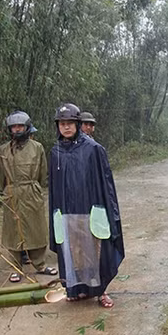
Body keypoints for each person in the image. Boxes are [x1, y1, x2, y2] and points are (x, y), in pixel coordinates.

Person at [48, 103, 124, 307]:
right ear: (58, 126)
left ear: (78, 124)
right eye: (62, 124)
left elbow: (105, 183)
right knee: (72, 251)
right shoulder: (55, 152)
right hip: (65, 211)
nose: (66, 127)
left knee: (97, 251)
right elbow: (54, 187)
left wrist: (108, 210)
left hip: (90, 210)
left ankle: (101, 292)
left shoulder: (93, 149)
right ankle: (76, 289)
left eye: (70, 123)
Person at [0, 111, 58, 282]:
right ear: (10, 129)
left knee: (36, 228)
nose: (17, 129)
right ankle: (16, 267)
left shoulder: (37, 147)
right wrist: (8, 190)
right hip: (12, 192)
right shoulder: (3, 150)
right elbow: (0, 175)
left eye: (20, 126)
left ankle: (40, 264)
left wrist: (35, 187)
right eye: (14, 127)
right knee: (13, 231)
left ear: (27, 127)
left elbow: (42, 172)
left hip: (31, 190)